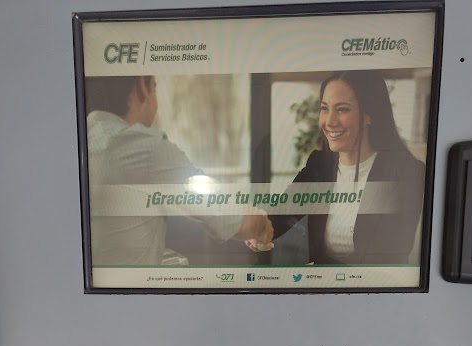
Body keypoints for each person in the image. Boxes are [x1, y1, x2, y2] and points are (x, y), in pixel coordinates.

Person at [86, 75, 273, 265]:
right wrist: (262, 226)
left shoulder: (81, 142)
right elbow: (229, 215)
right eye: (155, 89)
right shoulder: (143, 148)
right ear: (142, 87)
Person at [248, 70, 425, 265]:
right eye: (325, 108)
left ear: (369, 115)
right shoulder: (319, 165)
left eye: (342, 109)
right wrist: (258, 228)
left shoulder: (405, 172)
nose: (329, 122)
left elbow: (386, 255)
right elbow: (283, 213)